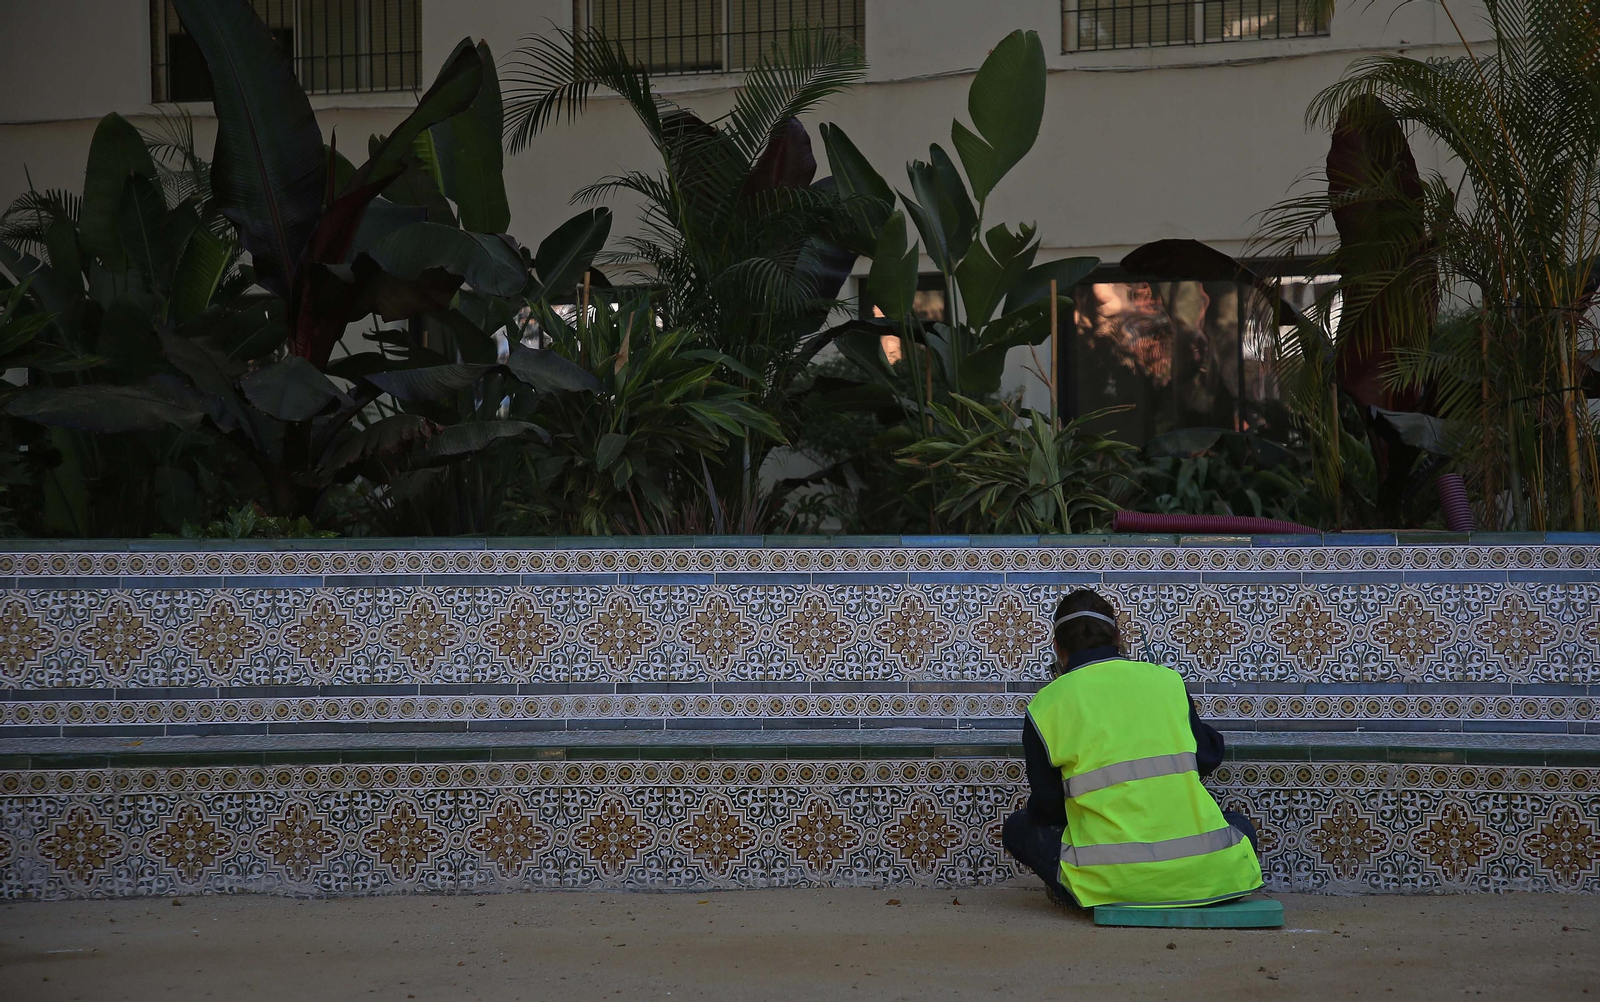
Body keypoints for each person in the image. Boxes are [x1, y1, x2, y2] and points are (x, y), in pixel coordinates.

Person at [1001, 589, 1263, 909]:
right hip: (1204, 873)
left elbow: (1047, 806)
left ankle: (1084, 891)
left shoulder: (1046, 705)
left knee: (1019, 827)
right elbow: (1209, 756)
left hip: (1107, 878)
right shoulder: (1166, 682)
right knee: (1239, 825)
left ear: (1058, 648)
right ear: (1118, 637)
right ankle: (1203, 878)